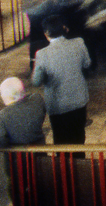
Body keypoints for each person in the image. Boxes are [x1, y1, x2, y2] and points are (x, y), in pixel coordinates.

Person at [31, 13, 92, 144]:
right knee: (79, 138)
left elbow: (36, 81)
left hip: (57, 105)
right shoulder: (79, 43)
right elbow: (87, 63)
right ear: (64, 28)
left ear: (46, 33)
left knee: (60, 140)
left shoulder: (41, 54)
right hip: (79, 100)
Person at [0, 76, 45, 145]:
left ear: (7, 96)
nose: (1, 96)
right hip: (40, 148)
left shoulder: (2, 116)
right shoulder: (37, 100)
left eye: (1, 93)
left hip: (16, 151)